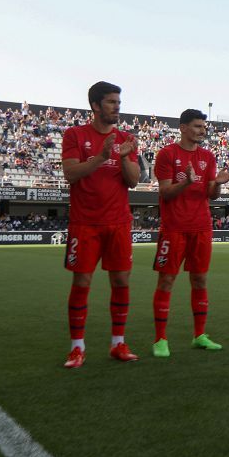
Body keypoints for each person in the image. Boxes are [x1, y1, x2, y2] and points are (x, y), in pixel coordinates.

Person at [60, 81, 141, 368]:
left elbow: (133, 181)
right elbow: (71, 174)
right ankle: (77, 348)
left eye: (118, 101)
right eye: (110, 102)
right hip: (85, 223)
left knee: (121, 281)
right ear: (95, 105)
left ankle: (118, 343)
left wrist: (123, 158)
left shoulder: (126, 138)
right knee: (82, 281)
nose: (117, 106)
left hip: (118, 222)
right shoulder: (74, 134)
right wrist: (101, 157)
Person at [151, 109, 229, 356]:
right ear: (183, 127)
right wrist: (186, 182)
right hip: (174, 228)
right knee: (167, 280)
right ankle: (160, 340)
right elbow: (164, 192)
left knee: (200, 280)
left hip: (201, 227)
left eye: (203, 127)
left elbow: (211, 194)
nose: (202, 130)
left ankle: (200, 335)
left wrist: (217, 183)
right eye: (197, 126)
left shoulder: (207, 156)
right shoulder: (167, 154)